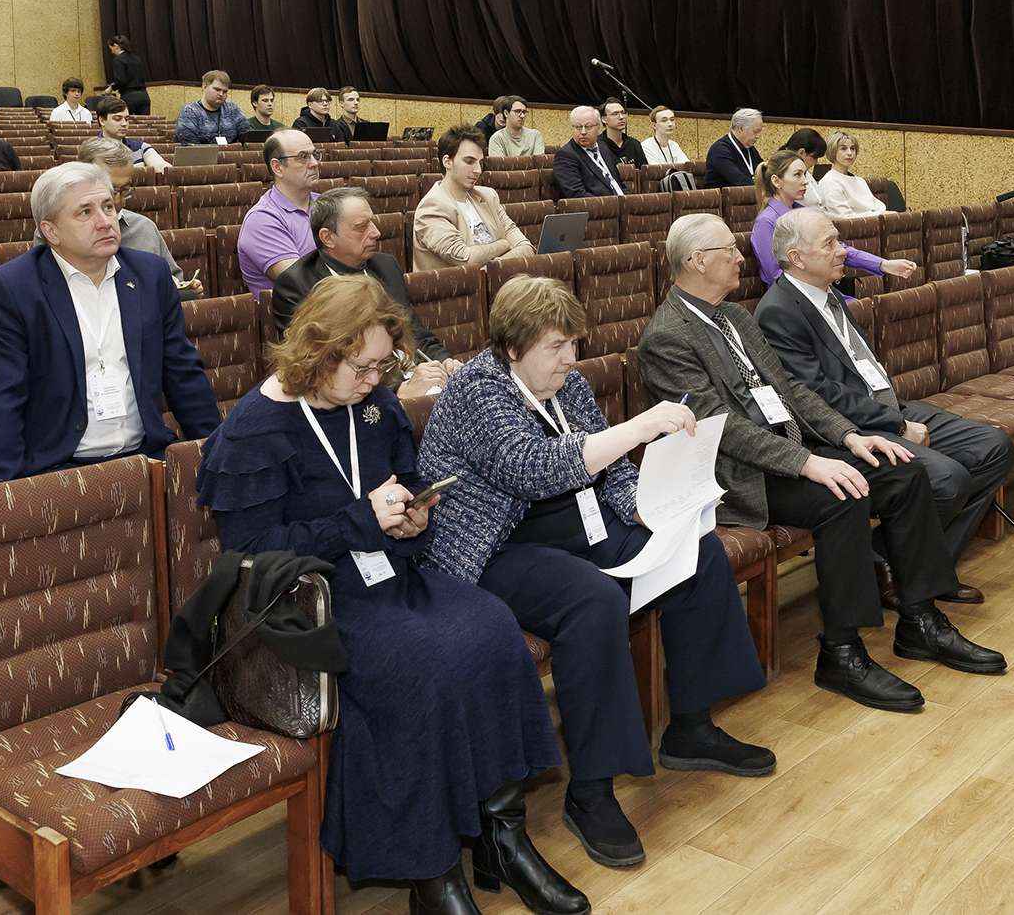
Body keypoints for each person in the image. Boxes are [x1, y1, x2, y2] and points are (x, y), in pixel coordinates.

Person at [198, 275, 576, 914]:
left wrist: (412, 516)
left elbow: (404, 482)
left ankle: (501, 836)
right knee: (420, 664)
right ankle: (431, 871)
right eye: (361, 367)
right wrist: (359, 521)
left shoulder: (374, 405)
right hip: (307, 603)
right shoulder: (254, 429)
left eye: (383, 366)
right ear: (317, 351)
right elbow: (253, 552)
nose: (374, 380)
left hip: (390, 576)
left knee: (491, 627)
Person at [419, 276, 772, 870]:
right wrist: (637, 428)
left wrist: (641, 504)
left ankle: (691, 726)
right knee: (592, 600)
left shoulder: (568, 384)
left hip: (581, 528)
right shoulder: (477, 389)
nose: (569, 358)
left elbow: (610, 468)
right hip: (498, 548)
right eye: (555, 347)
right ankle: (591, 790)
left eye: (573, 344)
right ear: (513, 347)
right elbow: (534, 468)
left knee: (697, 550)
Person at [637, 214, 1005, 711]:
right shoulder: (667, 337)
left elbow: (790, 391)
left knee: (902, 469)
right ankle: (841, 652)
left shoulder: (736, 317)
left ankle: (921, 621)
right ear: (697, 261)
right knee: (841, 496)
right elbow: (720, 426)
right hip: (738, 475)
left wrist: (849, 436)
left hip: (790, 450)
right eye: (730, 250)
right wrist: (808, 463)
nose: (742, 258)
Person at [758, 209, 1010, 587]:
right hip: (853, 427)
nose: (843, 250)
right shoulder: (778, 312)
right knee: (948, 480)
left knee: (994, 447)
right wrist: (897, 424)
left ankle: (894, 560)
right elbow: (817, 394)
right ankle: (919, 576)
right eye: (830, 244)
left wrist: (897, 415)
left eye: (838, 240)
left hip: (887, 407)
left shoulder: (828, 293)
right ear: (797, 258)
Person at [0, 163, 221, 480]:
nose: (105, 222)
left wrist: (217, 454)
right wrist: (10, 490)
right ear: (51, 231)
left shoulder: (150, 274)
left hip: (147, 454)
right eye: (85, 212)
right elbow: (0, 400)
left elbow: (182, 372)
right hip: (57, 468)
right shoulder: (11, 289)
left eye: (108, 207)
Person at [270, 186, 458, 396]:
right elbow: (318, 367)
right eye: (362, 227)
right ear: (328, 237)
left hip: (416, 378)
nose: (376, 232)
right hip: (364, 394)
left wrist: (444, 362)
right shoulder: (298, 284)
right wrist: (399, 390)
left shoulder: (386, 265)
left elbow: (414, 331)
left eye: (372, 222)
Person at [48, 137, 202, 298]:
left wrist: (181, 287)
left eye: (125, 189)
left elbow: (173, 279)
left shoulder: (144, 227)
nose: (117, 200)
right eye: (111, 190)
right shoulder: (58, 230)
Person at [749, 151, 915, 287]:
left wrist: (883, 264)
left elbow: (839, 249)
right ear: (776, 181)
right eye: (797, 175)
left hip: (820, 291)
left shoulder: (805, 214)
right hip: (795, 302)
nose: (806, 181)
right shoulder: (766, 222)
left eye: (805, 174)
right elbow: (776, 276)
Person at [412, 125, 532, 270]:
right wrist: (504, 244)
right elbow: (467, 260)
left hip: (503, 279)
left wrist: (495, 265)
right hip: (459, 284)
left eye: (479, 162)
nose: (478, 170)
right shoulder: (432, 207)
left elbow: (526, 248)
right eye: (469, 162)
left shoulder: (488, 197)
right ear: (447, 162)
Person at [239, 130, 320, 295]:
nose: (314, 163)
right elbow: (301, 282)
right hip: (298, 309)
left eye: (315, 155)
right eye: (303, 157)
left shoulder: (326, 203)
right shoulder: (262, 219)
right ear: (278, 167)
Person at [553, 106, 628, 199]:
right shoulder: (565, 155)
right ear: (572, 129)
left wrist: (632, 201)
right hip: (598, 206)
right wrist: (613, 204)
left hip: (622, 203)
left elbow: (619, 184)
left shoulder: (604, 149)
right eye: (578, 127)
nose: (583, 132)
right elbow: (577, 194)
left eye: (588, 127)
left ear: (598, 128)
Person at [815, 130, 889, 217]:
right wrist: (879, 214)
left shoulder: (860, 181)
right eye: (843, 148)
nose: (850, 153)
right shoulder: (829, 181)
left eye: (852, 148)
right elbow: (845, 216)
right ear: (832, 151)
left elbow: (878, 207)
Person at [175, 69, 253, 144]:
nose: (221, 94)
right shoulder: (189, 112)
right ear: (204, 87)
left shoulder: (232, 109)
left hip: (230, 152)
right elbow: (189, 144)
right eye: (217, 89)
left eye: (225, 91)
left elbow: (248, 136)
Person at [96, 96, 170, 171]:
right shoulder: (92, 151)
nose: (124, 123)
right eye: (118, 119)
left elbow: (162, 167)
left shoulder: (140, 147)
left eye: (127, 119)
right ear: (102, 121)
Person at [703, 109, 764, 188]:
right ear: (741, 128)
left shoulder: (749, 148)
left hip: (749, 194)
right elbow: (739, 181)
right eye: (755, 131)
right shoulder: (720, 150)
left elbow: (764, 172)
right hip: (724, 195)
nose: (758, 136)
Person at [596, 100, 649, 172]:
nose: (621, 117)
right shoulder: (597, 146)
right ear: (604, 119)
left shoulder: (634, 144)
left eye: (623, 113)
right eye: (615, 114)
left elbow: (644, 172)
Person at [106, 35, 151, 115]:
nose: (112, 52)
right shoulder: (136, 58)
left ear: (115, 46)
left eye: (111, 49)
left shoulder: (118, 60)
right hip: (144, 95)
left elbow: (121, 80)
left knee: (124, 120)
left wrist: (111, 88)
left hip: (129, 96)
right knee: (144, 121)